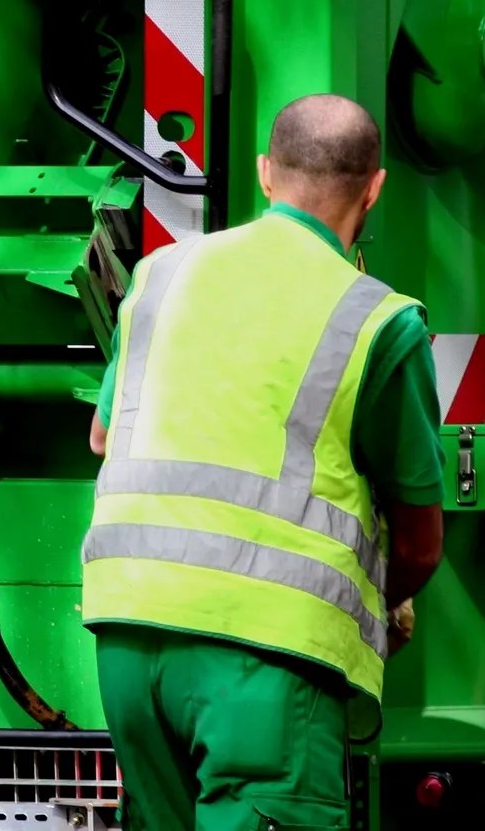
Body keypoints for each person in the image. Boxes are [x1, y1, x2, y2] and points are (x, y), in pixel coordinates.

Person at [81, 93, 446, 831]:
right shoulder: (379, 320)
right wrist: (378, 601)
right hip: (268, 660)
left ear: (263, 174)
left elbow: (102, 436)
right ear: (374, 190)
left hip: (127, 634)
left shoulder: (160, 275)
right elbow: (420, 543)